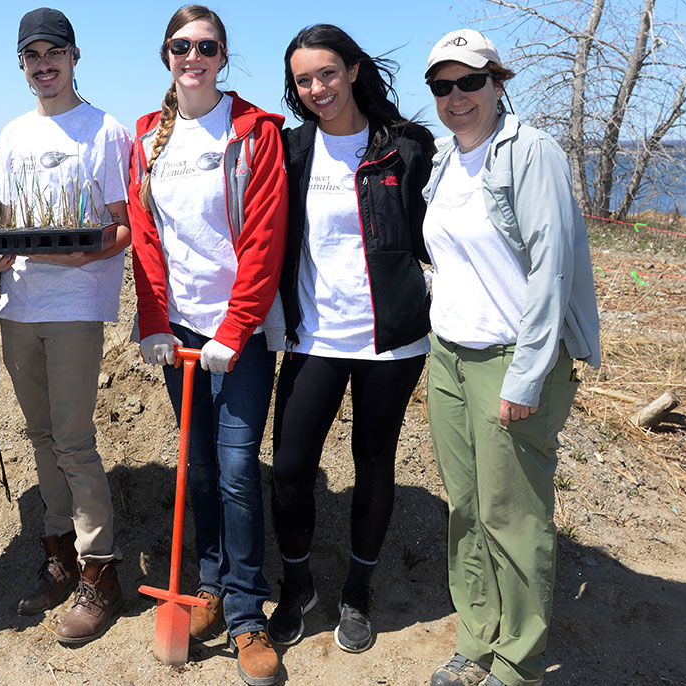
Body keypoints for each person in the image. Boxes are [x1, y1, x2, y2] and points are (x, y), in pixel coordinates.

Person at [421, 29, 601, 686]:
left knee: (513, 515)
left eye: (470, 81)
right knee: (467, 508)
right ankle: (477, 636)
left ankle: (518, 662)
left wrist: (526, 374)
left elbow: (552, 271)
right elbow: (450, 258)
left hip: (513, 359)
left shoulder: (532, 153)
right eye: (443, 86)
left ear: (499, 82)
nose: (457, 96)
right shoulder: (445, 159)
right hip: (450, 358)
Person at [128, 5, 288, 685]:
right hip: (181, 332)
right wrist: (154, 320)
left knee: (236, 467)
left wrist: (236, 328)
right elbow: (145, 238)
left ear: (224, 57)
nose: (192, 56)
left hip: (240, 331)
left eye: (207, 46)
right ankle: (211, 587)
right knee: (195, 470)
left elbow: (265, 238)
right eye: (180, 45)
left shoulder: (254, 132)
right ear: (166, 55)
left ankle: (249, 614)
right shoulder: (147, 138)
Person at [267, 24, 435, 654]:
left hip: (389, 341)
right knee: (289, 469)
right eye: (304, 80)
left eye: (327, 74)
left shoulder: (407, 148)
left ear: (354, 71)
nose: (317, 89)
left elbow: (439, 231)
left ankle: (357, 592)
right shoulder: (290, 150)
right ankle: (298, 583)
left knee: (373, 464)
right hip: (313, 336)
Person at [0, 7, 133, 645]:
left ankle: (100, 572)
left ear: (74, 57)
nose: (44, 66)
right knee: (40, 435)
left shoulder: (105, 130)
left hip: (74, 307)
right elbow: (8, 224)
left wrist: (80, 253)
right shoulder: (11, 134)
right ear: (22, 66)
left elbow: (122, 227)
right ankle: (59, 554)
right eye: (31, 57)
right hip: (20, 307)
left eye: (53, 54)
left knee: (72, 439)